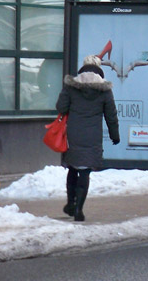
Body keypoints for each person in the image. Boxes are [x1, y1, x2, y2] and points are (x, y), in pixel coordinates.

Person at [56, 55, 120, 222]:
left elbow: (61, 107)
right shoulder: (104, 89)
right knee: (85, 171)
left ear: (83, 67)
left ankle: (70, 203)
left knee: (72, 168)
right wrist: (115, 135)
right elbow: (111, 115)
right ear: (99, 69)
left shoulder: (71, 86)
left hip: (73, 133)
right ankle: (79, 209)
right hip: (93, 135)